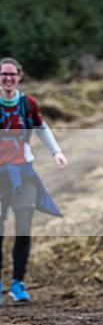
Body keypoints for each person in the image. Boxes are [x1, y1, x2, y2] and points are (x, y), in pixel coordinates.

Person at [0, 57, 67, 303]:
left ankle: (18, 282)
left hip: (23, 172)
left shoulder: (28, 104)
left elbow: (41, 127)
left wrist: (56, 152)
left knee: (23, 225)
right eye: (3, 74)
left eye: (12, 74)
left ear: (20, 76)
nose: (8, 78)